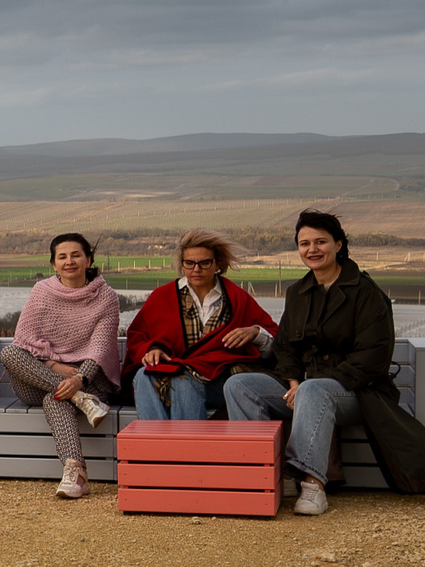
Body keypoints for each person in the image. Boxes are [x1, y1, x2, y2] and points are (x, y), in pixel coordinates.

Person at [221, 209, 397, 515]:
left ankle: (313, 485)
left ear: (338, 245)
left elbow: (373, 356)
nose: (312, 249)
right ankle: (262, 476)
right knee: (239, 385)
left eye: (320, 242)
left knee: (314, 390)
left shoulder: (367, 293)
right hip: (305, 386)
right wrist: (293, 382)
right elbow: (285, 347)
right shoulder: (297, 293)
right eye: (304, 243)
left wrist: (308, 387)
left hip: (358, 392)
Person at [1, 233, 125, 499]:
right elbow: (24, 340)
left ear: (89, 260)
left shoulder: (106, 297)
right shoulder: (41, 292)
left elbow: (101, 348)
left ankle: (76, 474)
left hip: (91, 381)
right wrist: (55, 366)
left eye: (76, 255)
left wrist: (79, 380)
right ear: (54, 264)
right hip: (43, 377)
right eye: (62, 257)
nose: (70, 261)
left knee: (56, 398)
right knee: (10, 353)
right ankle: (81, 400)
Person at [123, 231, 277, 420]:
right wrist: (152, 349)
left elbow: (275, 339)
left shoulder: (237, 299)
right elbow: (137, 335)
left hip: (219, 383)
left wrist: (255, 332)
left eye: (204, 263)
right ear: (182, 264)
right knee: (144, 375)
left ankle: (183, 440)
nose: (196, 269)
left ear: (217, 264)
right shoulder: (162, 297)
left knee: (183, 381)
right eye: (189, 263)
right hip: (172, 374)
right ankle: (158, 439)